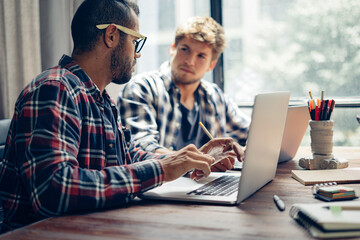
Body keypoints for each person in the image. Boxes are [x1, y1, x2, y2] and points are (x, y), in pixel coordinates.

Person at [0, 0, 243, 232]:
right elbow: (54, 190)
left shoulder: (101, 98)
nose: (137, 55)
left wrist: (188, 161)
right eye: (135, 41)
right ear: (112, 35)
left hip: (93, 227)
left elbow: (129, 155)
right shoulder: (55, 88)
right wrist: (161, 168)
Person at [118, 16, 250, 172]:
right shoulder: (143, 88)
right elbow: (140, 147)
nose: (190, 61)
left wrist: (250, 150)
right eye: (185, 49)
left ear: (211, 65)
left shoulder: (215, 96)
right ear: (173, 48)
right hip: (161, 188)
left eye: (201, 56)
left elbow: (250, 132)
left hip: (206, 183)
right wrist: (194, 161)